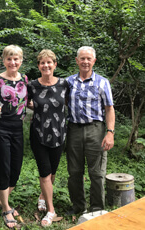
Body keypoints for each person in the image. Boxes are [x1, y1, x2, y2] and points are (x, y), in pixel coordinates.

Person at [66, 46, 115, 215]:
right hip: (74, 130)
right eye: (82, 58)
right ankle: (78, 206)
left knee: (97, 172)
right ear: (77, 61)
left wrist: (110, 132)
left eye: (89, 59)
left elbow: (109, 108)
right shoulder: (68, 82)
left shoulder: (102, 82)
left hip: (96, 129)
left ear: (94, 61)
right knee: (74, 171)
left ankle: (97, 209)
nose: (85, 62)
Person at [27, 49, 68, 227]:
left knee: (52, 172)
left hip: (59, 134)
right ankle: (51, 210)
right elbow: (21, 102)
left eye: (49, 62)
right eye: (42, 63)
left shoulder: (65, 85)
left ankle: (43, 195)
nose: (46, 65)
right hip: (39, 133)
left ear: (55, 64)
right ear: (39, 66)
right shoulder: (32, 86)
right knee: (44, 172)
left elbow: (72, 103)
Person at [0, 45, 28, 228]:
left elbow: (31, 102)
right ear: (4, 60)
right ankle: (6, 207)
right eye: (9, 59)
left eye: (16, 59)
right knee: (3, 167)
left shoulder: (26, 80)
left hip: (18, 128)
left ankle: (2, 198)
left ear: (21, 60)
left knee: (16, 168)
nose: (13, 62)